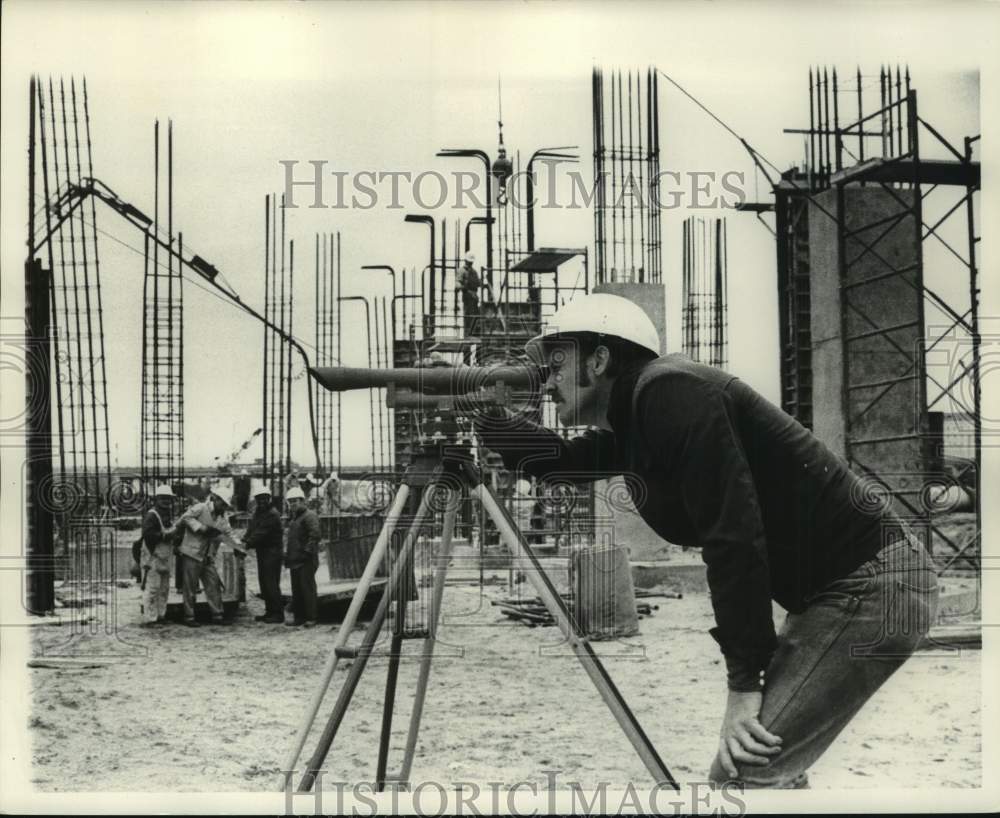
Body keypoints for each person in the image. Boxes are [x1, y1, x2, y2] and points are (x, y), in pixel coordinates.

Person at [473, 292, 939, 789]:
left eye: (556, 362)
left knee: (744, 773)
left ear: (600, 358)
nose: (546, 382)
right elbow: (560, 463)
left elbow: (732, 537)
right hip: (841, 591)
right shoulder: (638, 416)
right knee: (771, 764)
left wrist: (744, 684)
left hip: (873, 588)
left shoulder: (669, 394)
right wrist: (485, 413)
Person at [177, 484, 236, 627]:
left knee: (213, 585)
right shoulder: (201, 508)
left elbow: (228, 533)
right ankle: (189, 617)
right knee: (190, 587)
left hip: (208, 555)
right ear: (215, 499)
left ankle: (217, 614)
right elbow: (185, 518)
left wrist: (239, 546)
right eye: (222, 503)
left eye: (226, 505)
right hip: (192, 553)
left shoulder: (223, 517)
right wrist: (201, 528)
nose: (224, 507)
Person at [243, 481, 284, 624]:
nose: (262, 501)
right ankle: (269, 612)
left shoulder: (272, 515)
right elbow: (252, 529)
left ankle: (278, 614)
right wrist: (244, 539)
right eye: (259, 498)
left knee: (271, 583)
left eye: (264, 498)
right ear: (256, 499)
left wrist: (246, 544)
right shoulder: (259, 513)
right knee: (264, 583)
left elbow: (261, 533)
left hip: (272, 553)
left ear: (269, 498)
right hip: (263, 552)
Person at [140, 484, 178, 626]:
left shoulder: (167, 515)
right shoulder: (152, 515)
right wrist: (166, 536)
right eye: (162, 498)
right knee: (152, 589)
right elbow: (148, 535)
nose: (166, 501)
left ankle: (161, 615)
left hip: (165, 557)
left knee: (164, 589)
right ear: (156, 499)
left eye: (168, 499)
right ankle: (150, 619)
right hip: (152, 557)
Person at [284, 486, 321, 627]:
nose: (293, 504)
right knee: (297, 590)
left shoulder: (309, 516)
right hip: (295, 560)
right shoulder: (295, 519)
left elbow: (315, 535)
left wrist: (307, 552)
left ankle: (311, 617)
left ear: (302, 501)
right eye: (291, 501)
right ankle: (299, 617)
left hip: (306, 559)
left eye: (296, 501)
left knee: (307, 589)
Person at [457, 252, 481, 341]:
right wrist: (463, 287)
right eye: (469, 262)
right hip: (467, 295)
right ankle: (468, 333)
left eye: (471, 262)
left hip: (474, 296)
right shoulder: (462, 271)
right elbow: (458, 283)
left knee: (475, 315)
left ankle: (473, 332)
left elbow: (478, 283)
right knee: (468, 315)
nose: (470, 263)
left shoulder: (474, 272)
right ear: (466, 261)